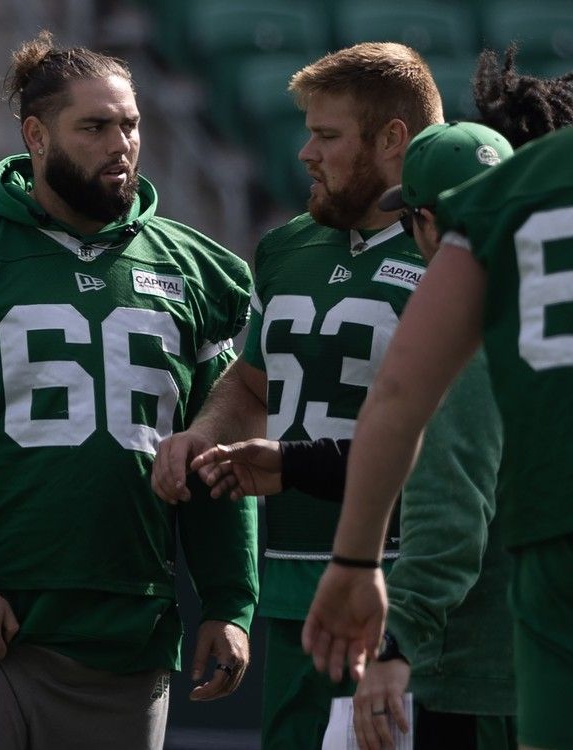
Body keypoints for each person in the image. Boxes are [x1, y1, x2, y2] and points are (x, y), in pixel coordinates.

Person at [0, 30, 258, 750]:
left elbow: (218, 450)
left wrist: (231, 601)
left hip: (128, 636)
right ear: (36, 135)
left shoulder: (197, 270)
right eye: (96, 126)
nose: (122, 144)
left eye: (131, 124)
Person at [151, 42, 443, 748]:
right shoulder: (286, 248)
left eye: (327, 135)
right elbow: (251, 383)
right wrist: (206, 430)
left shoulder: (447, 253)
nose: (306, 153)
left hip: (404, 588)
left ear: (392, 139)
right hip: (291, 592)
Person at [199, 122, 519, 750]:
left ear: (427, 222)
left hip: (487, 669)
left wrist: (398, 644)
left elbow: (451, 508)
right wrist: (297, 464)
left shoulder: (471, 336)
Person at [304, 124, 573, 750]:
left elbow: (445, 496)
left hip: (499, 660)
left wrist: (392, 623)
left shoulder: (478, 291)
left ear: (426, 219)